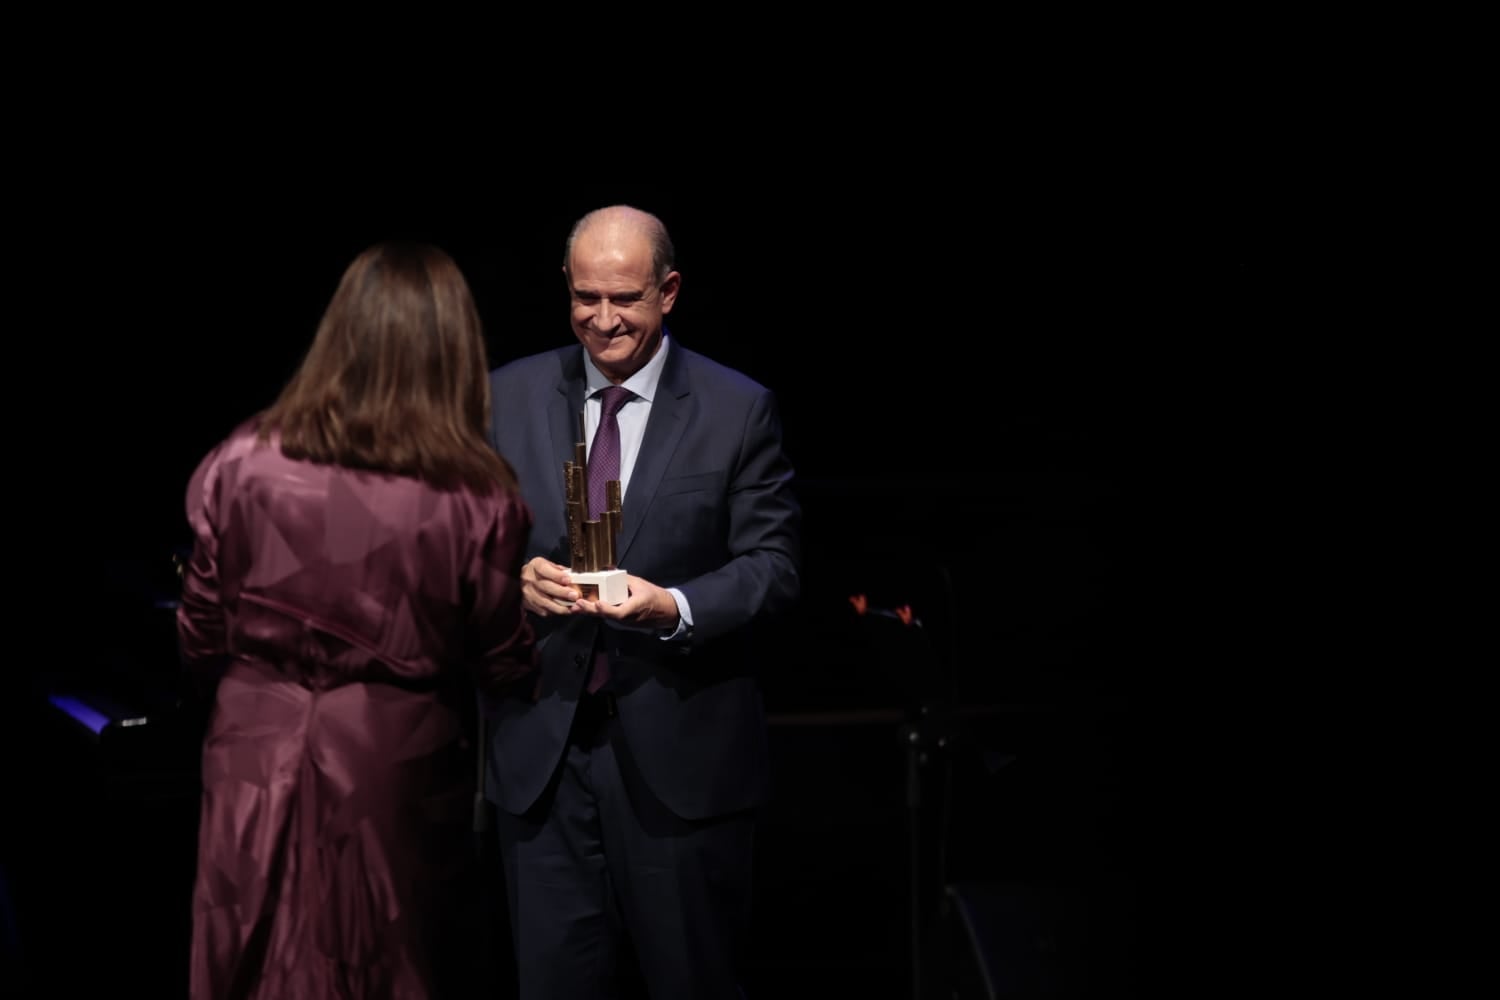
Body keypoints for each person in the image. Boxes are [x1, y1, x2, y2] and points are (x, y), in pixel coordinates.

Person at [176, 241, 536, 1000]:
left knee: (247, 953)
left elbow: (199, 628)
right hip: (392, 763)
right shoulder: (475, 498)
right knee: (386, 965)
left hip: (251, 743)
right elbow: (502, 655)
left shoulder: (242, 458)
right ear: (452, 350)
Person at [484, 204, 802, 998]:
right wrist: (510, 578)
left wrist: (674, 607)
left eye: (624, 299)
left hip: (681, 760)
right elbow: (455, 554)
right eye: (585, 297)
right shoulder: (503, 397)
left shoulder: (736, 409)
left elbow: (774, 566)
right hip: (542, 759)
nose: (602, 320)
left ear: (669, 291)